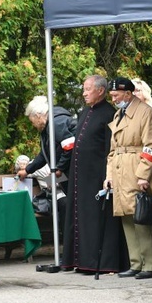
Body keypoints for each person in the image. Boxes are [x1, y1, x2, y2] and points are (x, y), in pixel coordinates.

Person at [62, 75, 129, 274]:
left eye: (87, 89)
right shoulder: (85, 112)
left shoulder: (109, 113)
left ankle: (98, 262)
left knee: (96, 220)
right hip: (80, 176)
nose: (84, 93)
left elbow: (110, 147)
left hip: (97, 176)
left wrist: (107, 177)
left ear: (100, 91)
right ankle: (79, 260)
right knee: (79, 218)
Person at [104, 77, 152, 279]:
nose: (113, 99)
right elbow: (112, 150)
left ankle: (149, 264)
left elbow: (151, 147)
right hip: (121, 168)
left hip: (136, 168)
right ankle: (135, 263)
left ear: (128, 94)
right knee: (126, 216)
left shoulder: (145, 112)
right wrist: (109, 175)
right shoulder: (118, 114)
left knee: (141, 216)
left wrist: (143, 175)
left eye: (115, 95)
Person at [17, 96, 76, 197]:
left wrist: (59, 169)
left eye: (32, 121)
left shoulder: (56, 124)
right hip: (69, 172)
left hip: (75, 172)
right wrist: (27, 170)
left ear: (38, 116)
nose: (34, 125)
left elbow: (70, 147)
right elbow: (45, 155)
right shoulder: (48, 128)